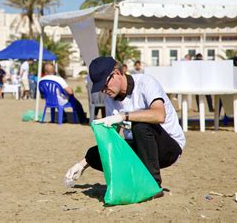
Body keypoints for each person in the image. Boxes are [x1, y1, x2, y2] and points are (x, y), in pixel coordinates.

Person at [65, 56, 185, 194]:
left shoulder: (146, 83)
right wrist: (83, 164)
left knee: (140, 125)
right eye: (101, 88)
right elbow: (112, 140)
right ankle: (134, 180)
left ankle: (153, 185)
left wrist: (122, 116)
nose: (104, 90)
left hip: (168, 148)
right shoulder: (110, 99)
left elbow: (159, 115)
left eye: (105, 85)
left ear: (116, 73)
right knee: (93, 154)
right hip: (141, 147)